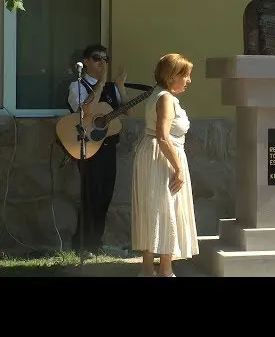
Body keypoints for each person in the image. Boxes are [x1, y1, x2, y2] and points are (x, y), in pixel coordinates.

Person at [131, 53, 199, 277]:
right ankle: (165, 271)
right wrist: (178, 168)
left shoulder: (159, 94)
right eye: (185, 75)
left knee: (155, 209)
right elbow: (163, 135)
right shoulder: (166, 98)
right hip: (161, 156)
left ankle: (148, 269)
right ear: (172, 77)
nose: (188, 81)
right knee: (165, 209)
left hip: (154, 154)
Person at [67, 43, 130, 259]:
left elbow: (127, 110)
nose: (102, 62)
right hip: (87, 146)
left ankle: (96, 243)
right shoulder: (78, 85)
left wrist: (120, 86)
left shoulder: (111, 87)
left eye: (105, 58)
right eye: (96, 58)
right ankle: (81, 243)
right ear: (86, 62)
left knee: (105, 195)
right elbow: (84, 109)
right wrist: (101, 84)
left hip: (109, 146)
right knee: (90, 194)